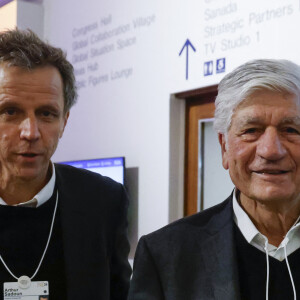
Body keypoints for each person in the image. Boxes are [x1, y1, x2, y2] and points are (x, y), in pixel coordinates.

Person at [129, 59, 300, 299]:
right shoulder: (165, 255)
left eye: (291, 130)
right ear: (224, 148)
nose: (271, 150)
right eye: (251, 130)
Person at [0, 29, 131, 300]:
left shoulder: (103, 201)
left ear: (64, 122)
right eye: (11, 111)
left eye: (47, 114)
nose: (30, 132)